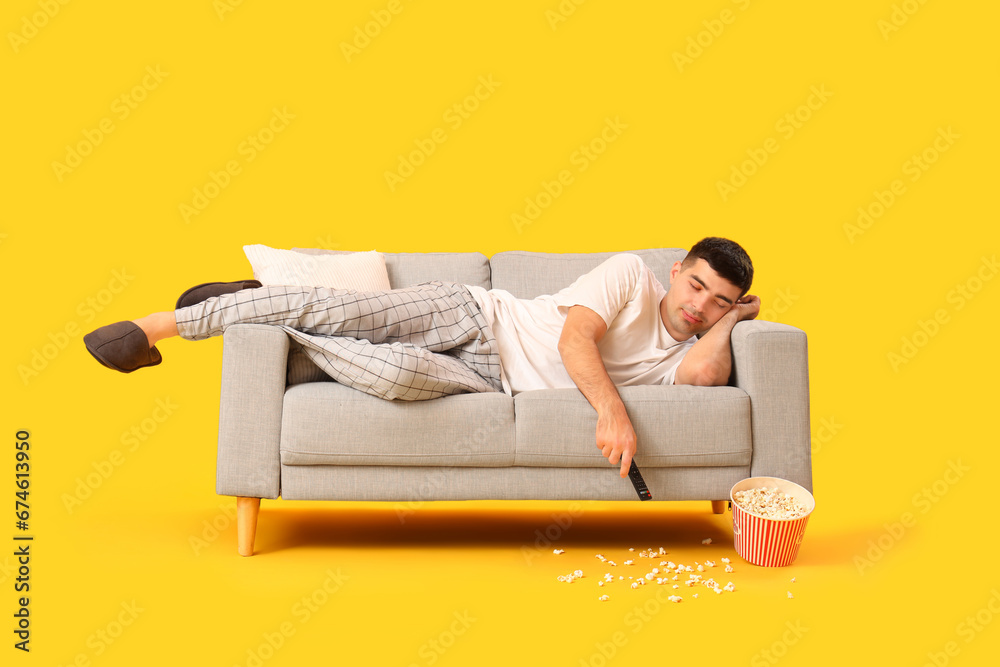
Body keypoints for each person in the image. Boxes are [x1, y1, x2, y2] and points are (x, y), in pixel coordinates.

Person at [84, 237, 759, 478]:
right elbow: (573, 339)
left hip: (488, 379)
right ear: (676, 271)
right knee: (344, 313)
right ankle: (160, 326)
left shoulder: (690, 349)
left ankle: (263, 304)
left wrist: (736, 320)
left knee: (396, 373)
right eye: (697, 284)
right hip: (475, 314)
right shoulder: (628, 278)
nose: (700, 305)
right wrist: (611, 410)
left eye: (719, 301)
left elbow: (704, 375)